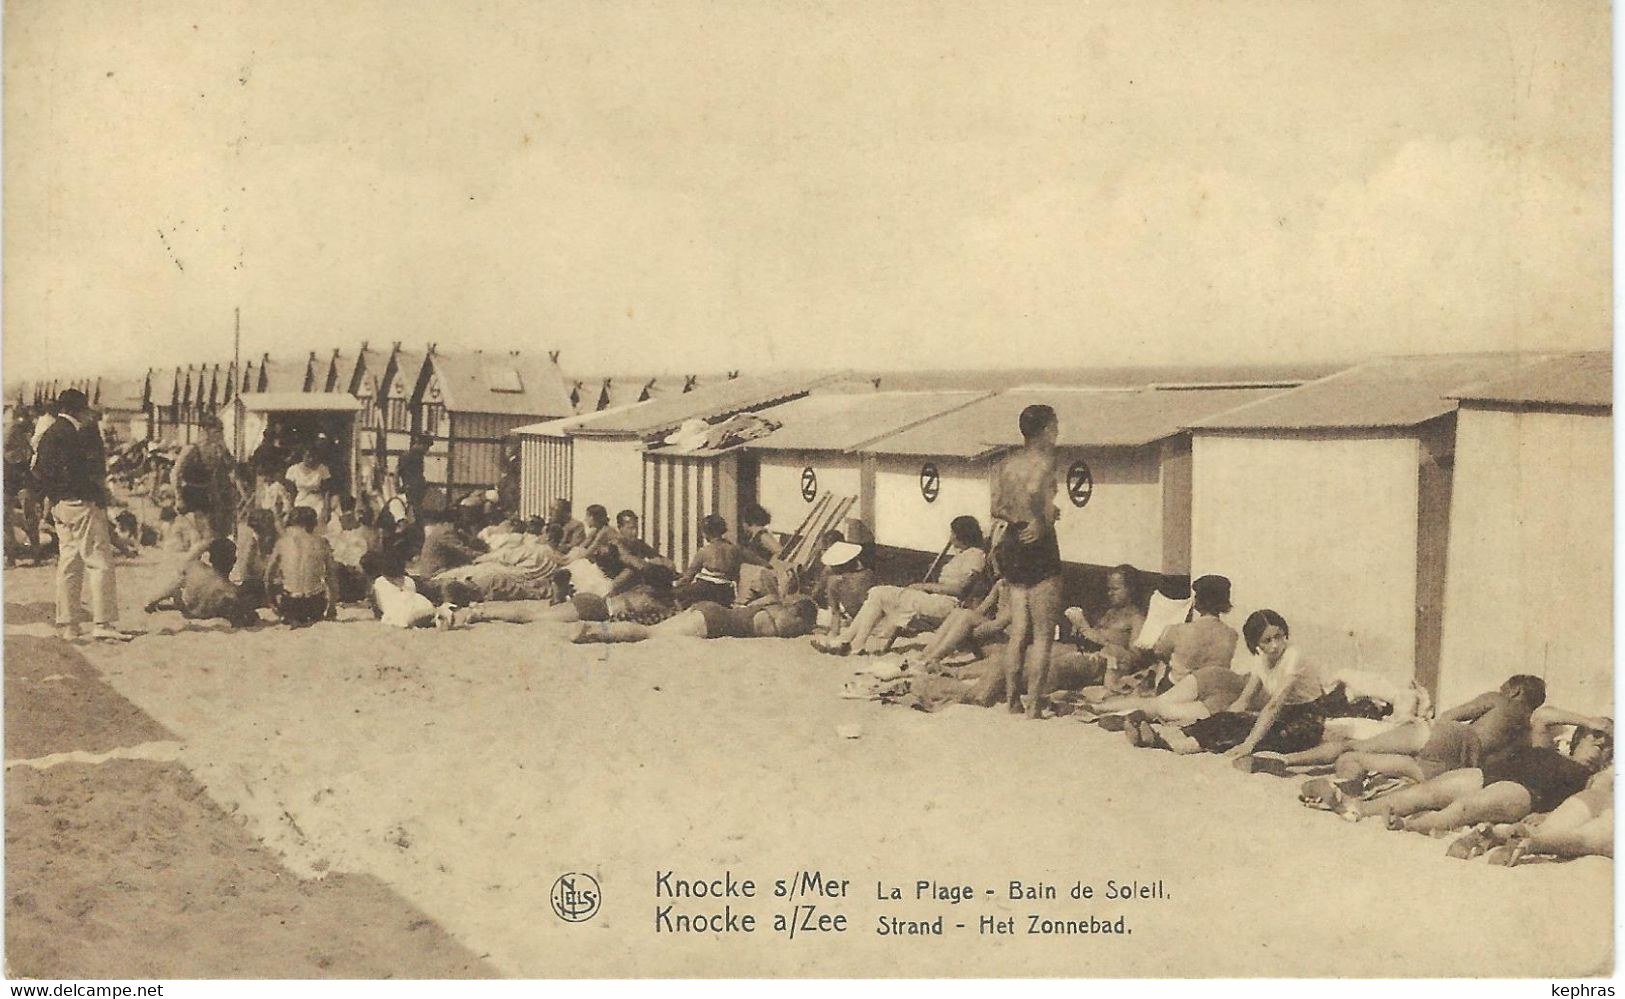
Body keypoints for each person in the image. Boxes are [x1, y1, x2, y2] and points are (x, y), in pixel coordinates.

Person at [1327, 724, 1612, 842]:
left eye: (1607, 749)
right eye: (1595, 741)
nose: (1599, 749)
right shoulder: (1546, 747)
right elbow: (1544, 717)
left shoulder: (1591, 777)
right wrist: (1591, 720)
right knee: (1427, 791)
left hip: (1527, 792)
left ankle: (1410, 825)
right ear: (1578, 739)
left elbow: (1583, 807)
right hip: (1492, 773)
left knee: (1466, 807)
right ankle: (1360, 809)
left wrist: (1546, 815)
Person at [1262, 674, 1552, 786]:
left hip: (1452, 736)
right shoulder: (1525, 733)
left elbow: (1451, 716)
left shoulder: (1498, 700)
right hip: (1459, 766)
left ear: (1515, 691)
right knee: (1386, 766)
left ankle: (1285, 761)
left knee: (1355, 746)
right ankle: (1352, 782)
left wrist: (1419, 723)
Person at [1127, 609, 1326, 756]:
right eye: (1267, 641)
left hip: (1307, 721)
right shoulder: (1261, 659)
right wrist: (1223, 717)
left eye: (1278, 636)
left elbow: (1274, 705)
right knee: (1228, 719)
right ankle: (1163, 736)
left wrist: (1249, 744)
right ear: (1255, 644)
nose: (1275, 645)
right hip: (1285, 715)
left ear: (1285, 634)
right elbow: (1245, 699)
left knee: (1243, 730)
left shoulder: (1293, 656)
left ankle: (1172, 746)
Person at [32, 389, 133, 642]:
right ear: (79, 409)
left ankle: (69, 625)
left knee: (69, 562)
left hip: (59, 504)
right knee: (99, 561)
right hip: (81, 502)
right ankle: (103, 622)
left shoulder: (49, 433)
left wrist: (53, 496)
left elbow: (37, 470)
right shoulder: (77, 434)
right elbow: (84, 472)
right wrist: (93, 494)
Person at [811, 516, 987, 656]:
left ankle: (849, 642)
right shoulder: (965, 554)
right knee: (877, 593)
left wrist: (925, 586)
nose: (950, 536)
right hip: (936, 601)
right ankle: (851, 643)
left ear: (960, 535)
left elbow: (960, 590)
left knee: (879, 593)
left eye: (952, 533)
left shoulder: (975, 556)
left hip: (948, 606)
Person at [990, 403, 1065, 718]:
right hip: (1039, 548)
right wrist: (1044, 521)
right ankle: (1033, 705)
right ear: (1046, 429)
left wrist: (1022, 519)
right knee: (1044, 635)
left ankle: (1011, 701)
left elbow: (996, 508)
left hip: (1011, 544)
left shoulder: (1005, 464)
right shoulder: (1046, 463)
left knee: (1018, 631)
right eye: (1055, 427)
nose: (1057, 433)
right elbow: (1044, 508)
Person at [570, 593, 819, 644]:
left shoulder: (774, 604)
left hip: (711, 607)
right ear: (799, 615)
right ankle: (595, 632)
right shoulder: (784, 622)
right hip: (714, 622)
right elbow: (788, 630)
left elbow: (759, 600)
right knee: (650, 634)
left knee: (653, 629)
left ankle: (596, 628)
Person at [143, 537, 259, 628]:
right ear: (234, 561)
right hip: (205, 614)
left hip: (185, 608)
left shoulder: (195, 568)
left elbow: (192, 555)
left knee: (179, 582)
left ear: (209, 558)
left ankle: (153, 601)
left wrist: (208, 543)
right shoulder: (231, 589)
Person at [1151, 574, 1239, 687]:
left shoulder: (1176, 631)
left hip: (1178, 689)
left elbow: (1159, 653)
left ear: (1198, 600)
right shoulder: (1231, 635)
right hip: (1214, 690)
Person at [265, 505, 338, 626]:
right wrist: (332, 607)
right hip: (315, 604)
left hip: (290, 604)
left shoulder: (282, 542)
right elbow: (332, 577)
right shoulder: (321, 542)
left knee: (280, 583)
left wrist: (272, 603)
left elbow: (268, 577)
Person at [171, 416, 237, 542]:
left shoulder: (217, 449)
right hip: (190, 493)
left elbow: (230, 466)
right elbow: (175, 473)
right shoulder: (191, 449)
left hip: (208, 493)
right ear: (206, 431)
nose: (219, 435)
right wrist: (178, 498)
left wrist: (225, 449)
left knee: (212, 532)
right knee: (201, 534)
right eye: (216, 432)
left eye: (221, 431)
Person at [672, 514, 744, 608]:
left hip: (706, 589)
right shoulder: (734, 549)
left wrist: (676, 585)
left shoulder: (705, 551)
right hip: (726, 591)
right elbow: (736, 574)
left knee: (676, 595)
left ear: (706, 533)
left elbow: (689, 576)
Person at [409, 508, 483, 579]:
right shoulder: (445, 532)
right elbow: (461, 550)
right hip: (434, 573)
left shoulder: (439, 530)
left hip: (432, 571)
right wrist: (481, 555)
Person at [5, 408, 37, 566]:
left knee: (27, 516)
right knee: (8, 519)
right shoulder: (11, 432)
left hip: (19, 479)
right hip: (11, 479)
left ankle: (32, 554)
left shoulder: (21, 435)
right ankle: (13, 556)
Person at [233, 508, 279, 608]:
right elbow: (245, 571)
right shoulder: (250, 540)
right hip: (256, 581)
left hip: (266, 582)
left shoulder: (274, 538)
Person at [285, 446, 334, 524]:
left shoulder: (322, 469)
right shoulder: (293, 470)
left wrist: (326, 508)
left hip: (317, 500)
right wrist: (290, 507)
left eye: (313, 456)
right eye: (308, 456)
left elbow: (327, 490)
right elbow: (291, 492)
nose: (311, 459)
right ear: (302, 456)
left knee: (318, 522)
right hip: (300, 500)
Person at [396, 435, 431, 514]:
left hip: (417, 489)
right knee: (411, 511)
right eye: (425, 447)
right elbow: (398, 472)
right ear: (420, 444)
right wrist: (398, 486)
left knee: (416, 510)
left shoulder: (419, 456)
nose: (426, 450)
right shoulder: (407, 455)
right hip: (410, 489)